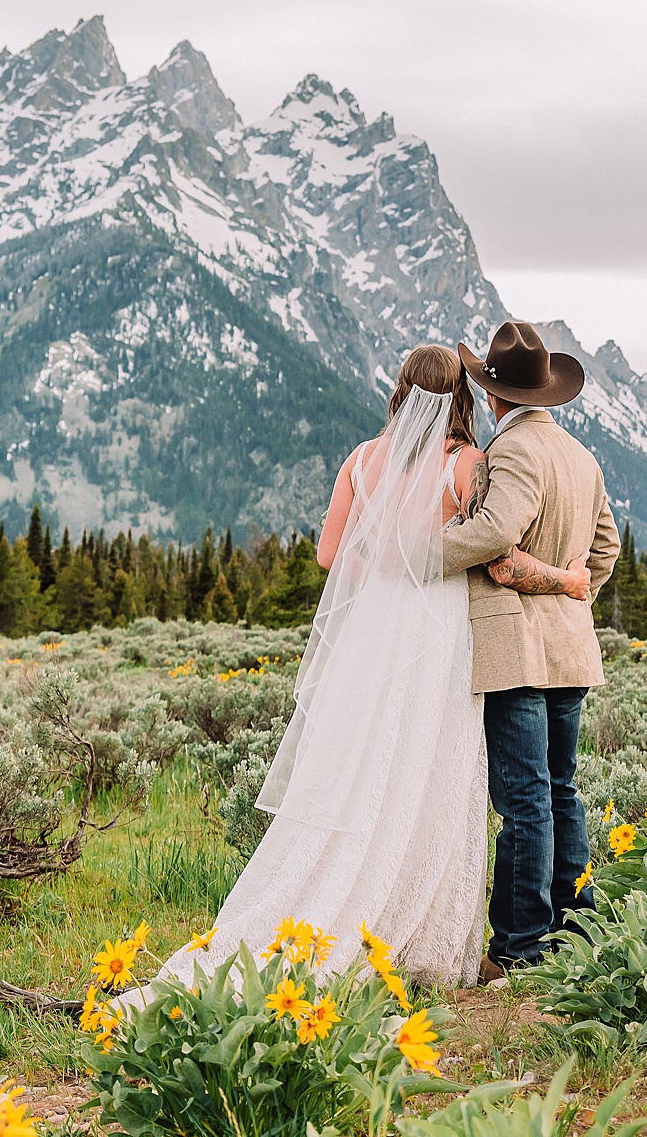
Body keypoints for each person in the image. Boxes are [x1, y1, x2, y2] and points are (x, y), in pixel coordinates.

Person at [127, 344, 585, 999]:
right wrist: (562, 578)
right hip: (439, 624)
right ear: (461, 394)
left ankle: (335, 903)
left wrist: (387, 573)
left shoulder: (361, 460)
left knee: (363, 762)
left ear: (400, 390)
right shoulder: (467, 463)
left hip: (374, 624)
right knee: (434, 770)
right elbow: (495, 551)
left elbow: (329, 552)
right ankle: (424, 933)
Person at [441, 320, 620, 979]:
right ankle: (577, 927)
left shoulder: (513, 450)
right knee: (560, 790)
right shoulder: (581, 456)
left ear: (494, 396)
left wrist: (416, 558)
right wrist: (569, 592)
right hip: (570, 649)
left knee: (524, 797)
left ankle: (519, 946)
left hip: (517, 649)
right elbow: (605, 551)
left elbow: (496, 530)